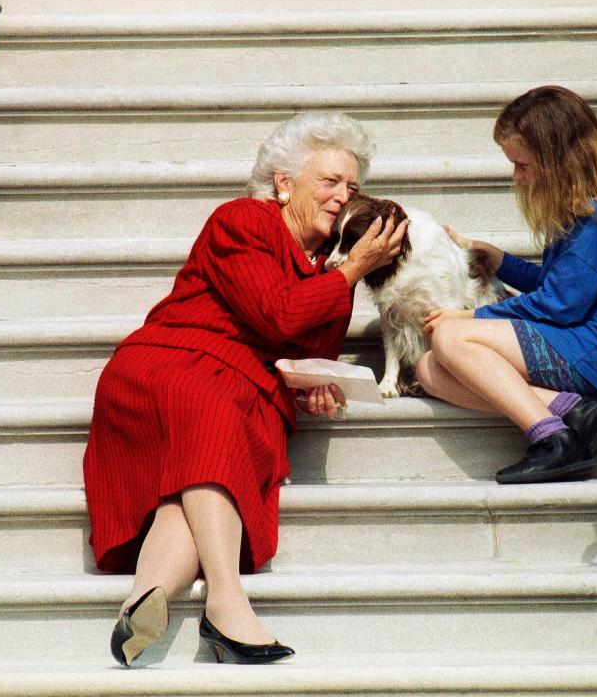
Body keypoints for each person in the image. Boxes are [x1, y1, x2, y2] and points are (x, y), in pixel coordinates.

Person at [83, 113, 408, 666]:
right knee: (214, 416)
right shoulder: (244, 221)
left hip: (239, 391)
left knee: (199, 465)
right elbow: (279, 317)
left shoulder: (326, 268)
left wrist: (317, 388)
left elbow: (305, 356)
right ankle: (226, 601)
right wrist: (354, 269)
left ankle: (147, 593)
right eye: (328, 181)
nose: (341, 196)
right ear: (284, 183)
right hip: (171, 365)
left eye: (351, 187)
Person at [417, 85, 597, 484]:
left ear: (560, 161)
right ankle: (575, 411)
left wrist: (471, 315)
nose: (517, 176)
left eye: (523, 165)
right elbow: (560, 287)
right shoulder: (582, 218)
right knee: (429, 370)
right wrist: (501, 262)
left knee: (451, 338)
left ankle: (555, 442)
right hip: (582, 344)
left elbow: (559, 305)